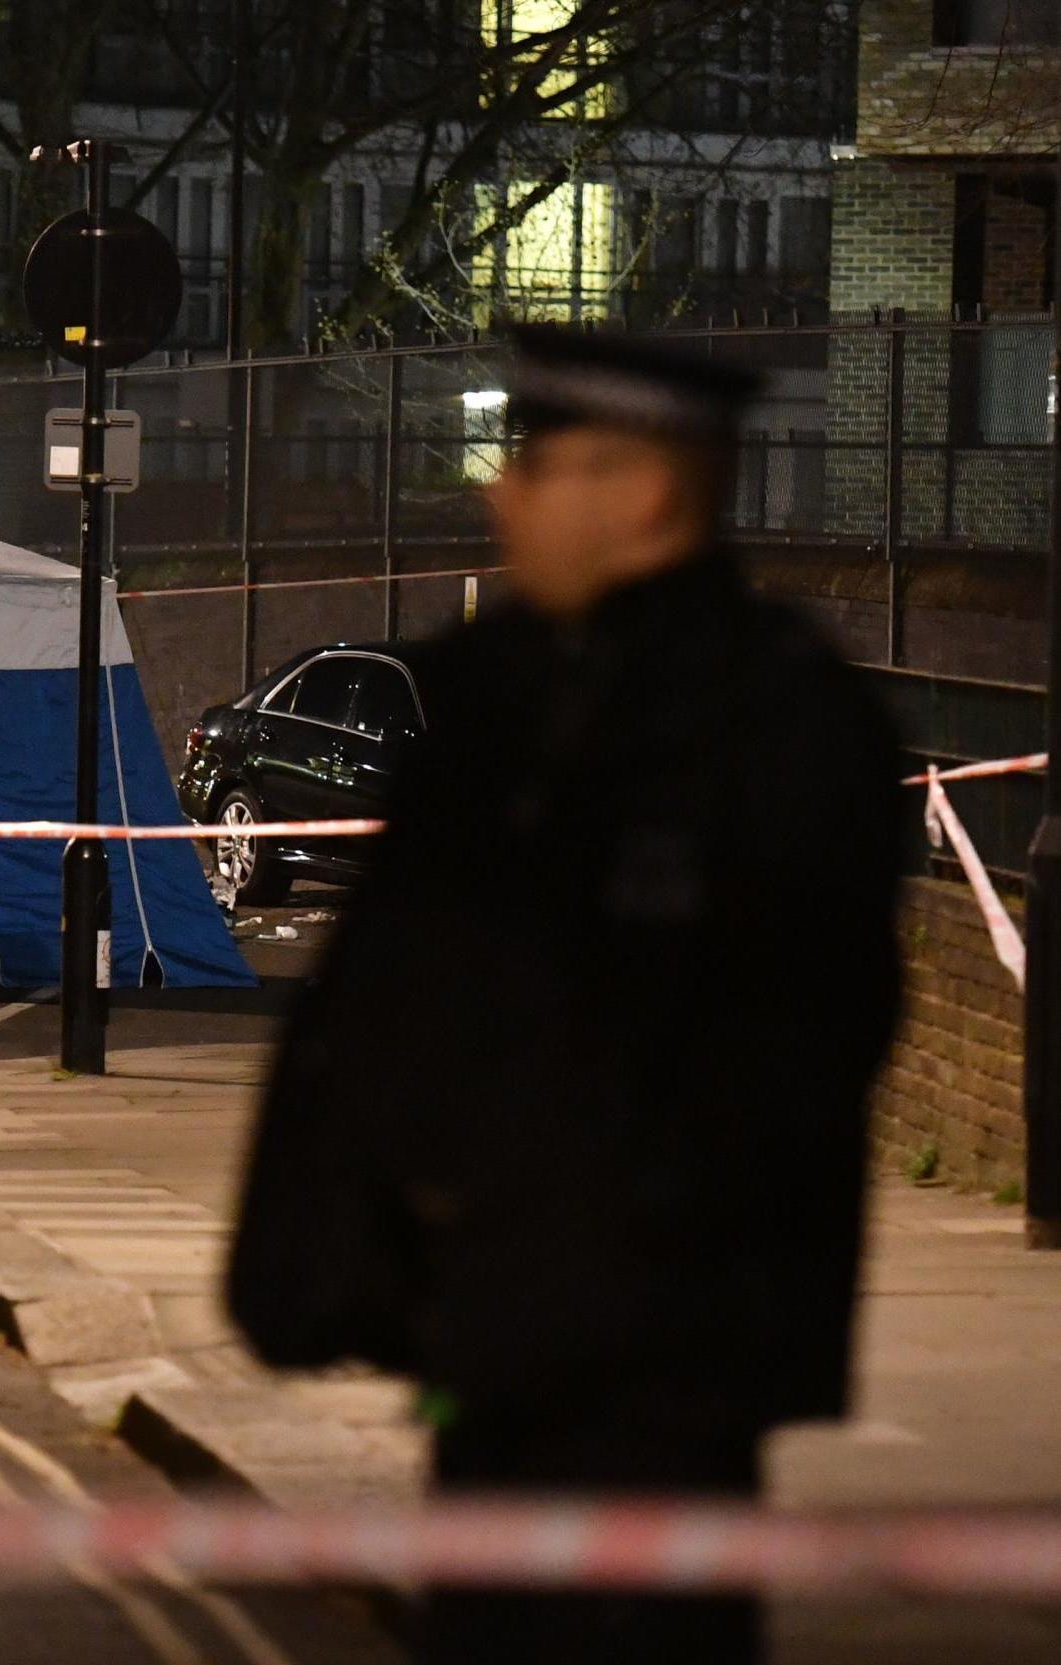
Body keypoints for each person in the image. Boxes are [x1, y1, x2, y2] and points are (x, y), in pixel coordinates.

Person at [226, 325, 904, 1664]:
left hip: (665, 1358)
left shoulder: (778, 722)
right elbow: (384, 1006)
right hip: (489, 1328)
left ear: (646, 490)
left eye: (538, 459)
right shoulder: (488, 700)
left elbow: (806, 1035)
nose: (502, 489)